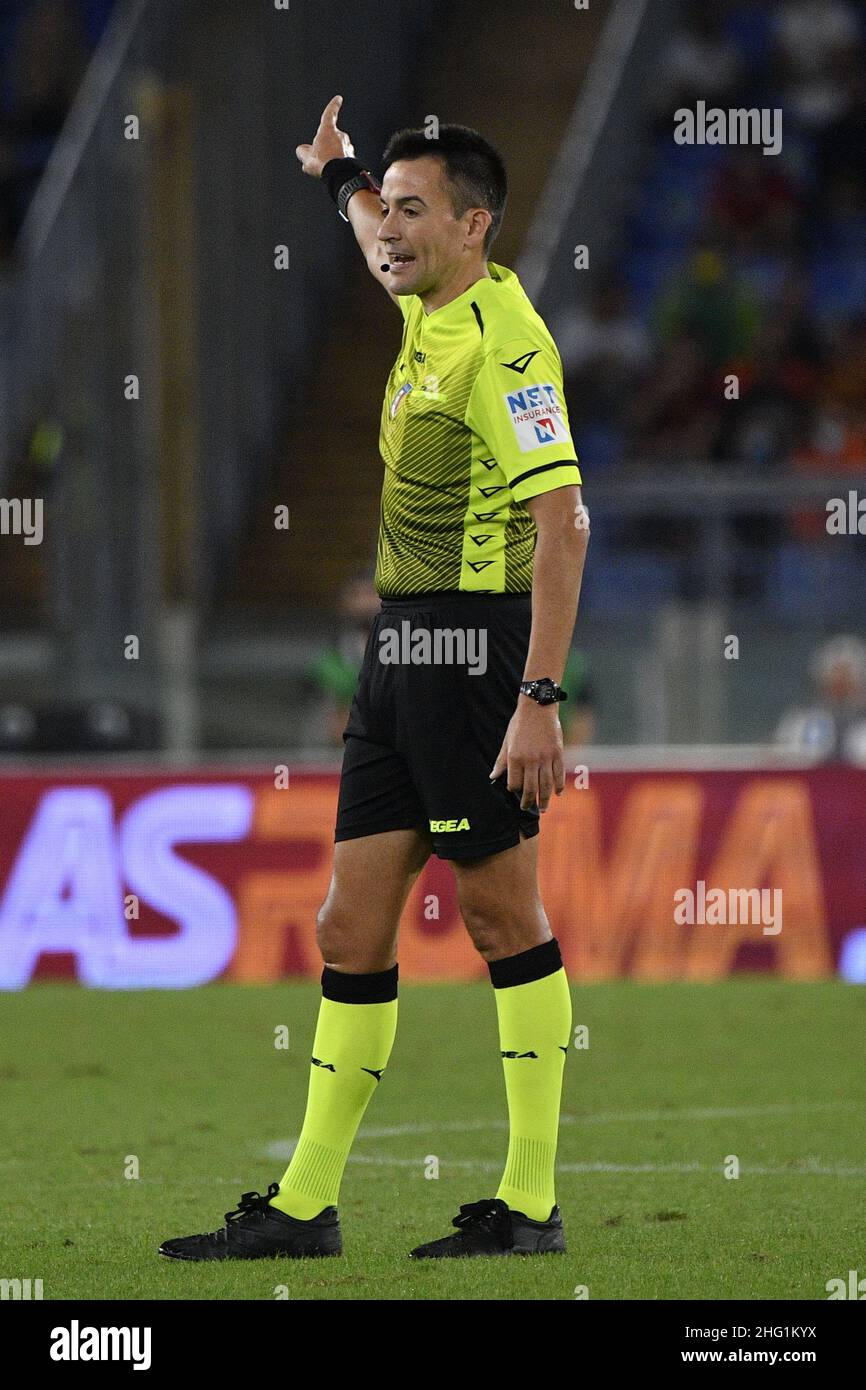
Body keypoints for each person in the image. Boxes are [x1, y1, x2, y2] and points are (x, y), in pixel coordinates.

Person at [160, 95, 589, 1262]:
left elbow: (564, 526)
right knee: (348, 928)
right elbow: (362, 224)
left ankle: (530, 1203)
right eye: (384, 210)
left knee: (502, 916)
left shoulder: (508, 344)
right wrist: (336, 172)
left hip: (471, 654)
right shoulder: (427, 302)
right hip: (397, 653)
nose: (386, 231)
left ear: (474, 227)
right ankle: (304, 1208)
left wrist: (537, 701)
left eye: (413, 212)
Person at [775, 635, 866, 762]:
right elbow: (786, 761)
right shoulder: (801, 719)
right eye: (836, 672)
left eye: (848, 673)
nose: (841, 680)